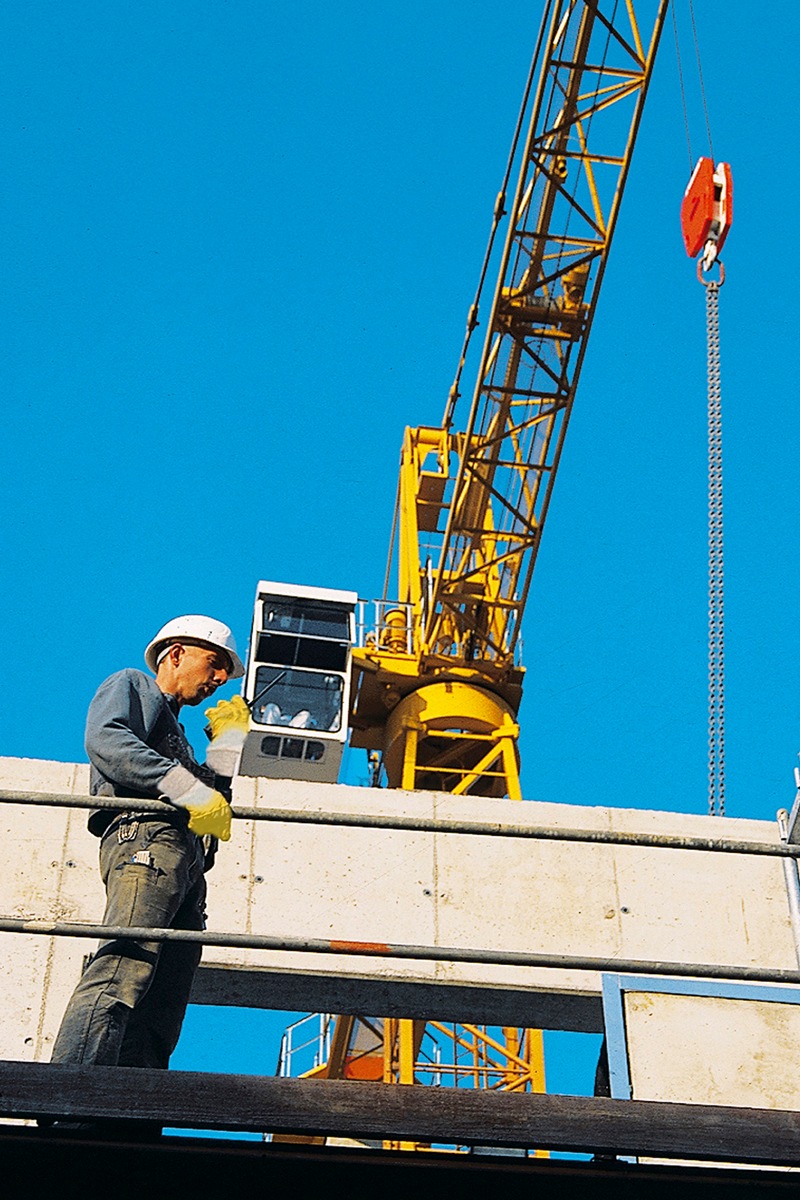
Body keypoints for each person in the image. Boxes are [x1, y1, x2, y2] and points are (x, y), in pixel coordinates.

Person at [50, 615, 250, 1076]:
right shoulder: (133, 684)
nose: (219, 679)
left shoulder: (176, 738)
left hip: (184, 862)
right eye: (214, 663)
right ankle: (72, 1091)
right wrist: (190, 790)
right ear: (176, 654)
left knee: (163, 1000)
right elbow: (109, 740)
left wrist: (226, 748)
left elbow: (210, 817)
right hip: (145, 839)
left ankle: (133, 1113)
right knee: (125, 966)